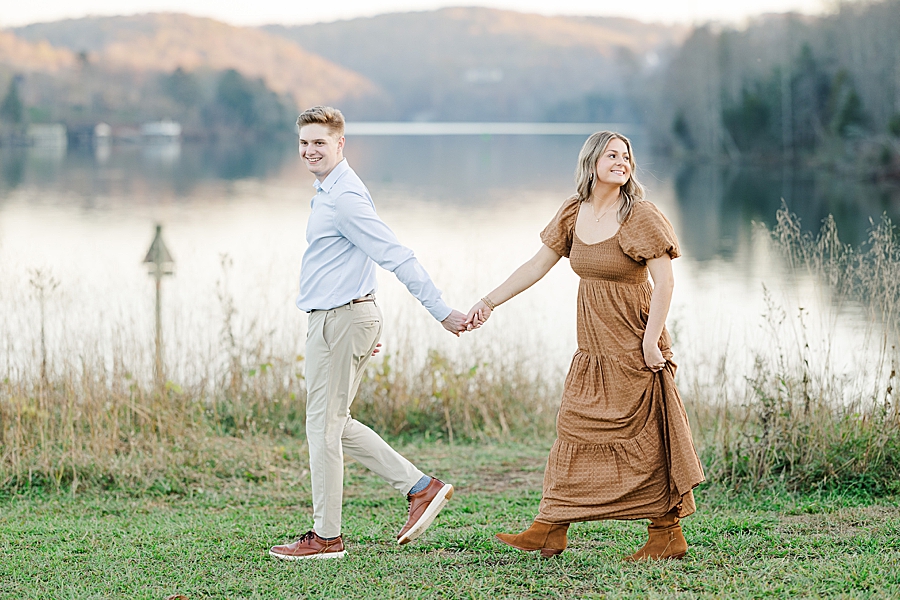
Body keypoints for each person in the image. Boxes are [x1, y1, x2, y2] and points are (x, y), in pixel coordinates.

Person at [466, 131, 705, 560]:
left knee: (646, 438)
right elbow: (537, 265)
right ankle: (550, 527)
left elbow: (665, 282)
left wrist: (652, 341)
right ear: (591, 161)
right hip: (592, 350)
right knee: (573, 430)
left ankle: (666, 534)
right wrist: (489, 302)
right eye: (612, 154)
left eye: (627, 156)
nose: (622, 161)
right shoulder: (573, 213)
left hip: (634, 345)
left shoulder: (641, 216)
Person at [270, 106, 466, 560]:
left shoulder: (345, 197)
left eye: (319, 142)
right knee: (334, 424)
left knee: (322, 427)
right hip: (338, 319)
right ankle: (421, 487)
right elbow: (355, 258)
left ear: (340, 143)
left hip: (340, 320)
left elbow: (395, 254)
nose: (309, 151)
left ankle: (326, 538)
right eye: (303, 143)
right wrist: (364, 317)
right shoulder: (329, 191)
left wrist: (442, 312)